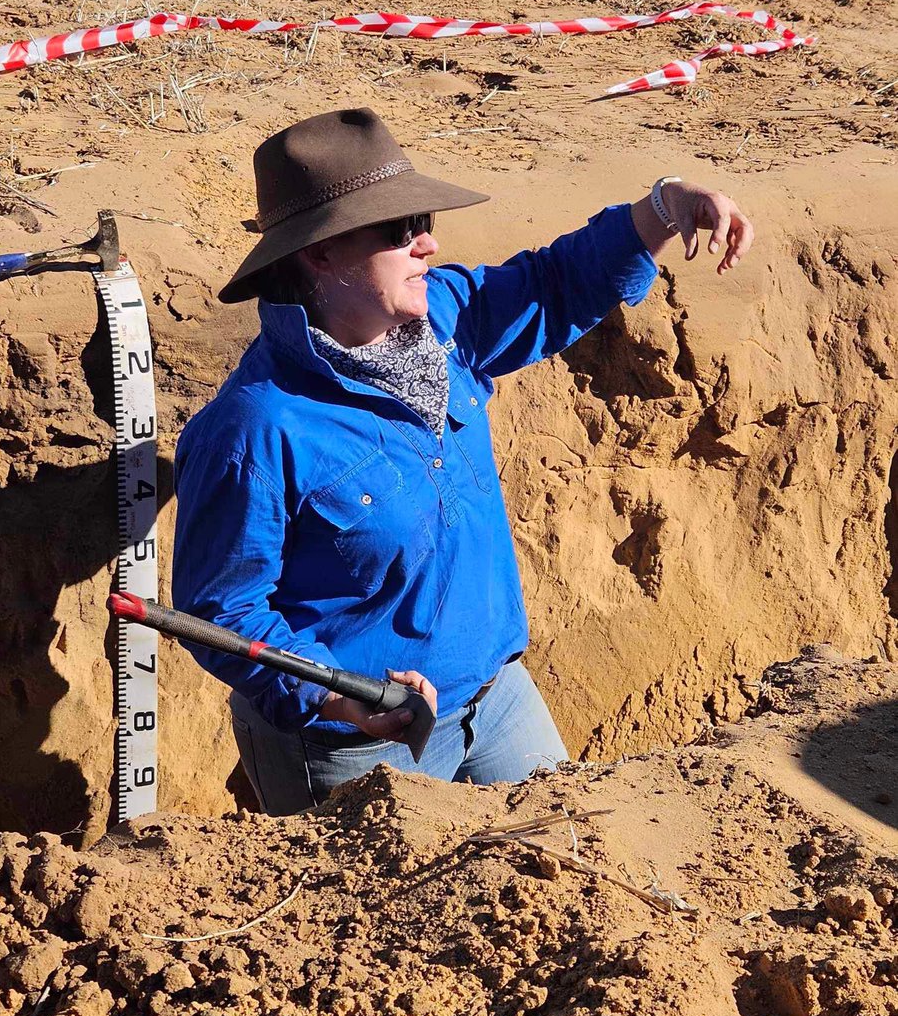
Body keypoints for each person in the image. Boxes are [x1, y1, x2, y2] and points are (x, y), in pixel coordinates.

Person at [172, 107, 753, 815]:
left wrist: (666, 207)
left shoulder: (444, 322)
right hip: (357, 745)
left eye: (421, 218)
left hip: (498, 699)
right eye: (398, 229)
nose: (428, 242)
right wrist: (337, 694)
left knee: (568, 857)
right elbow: (223, 609)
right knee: (383, 923)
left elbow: (555, 283)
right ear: (320, 255)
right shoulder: (256, 427)